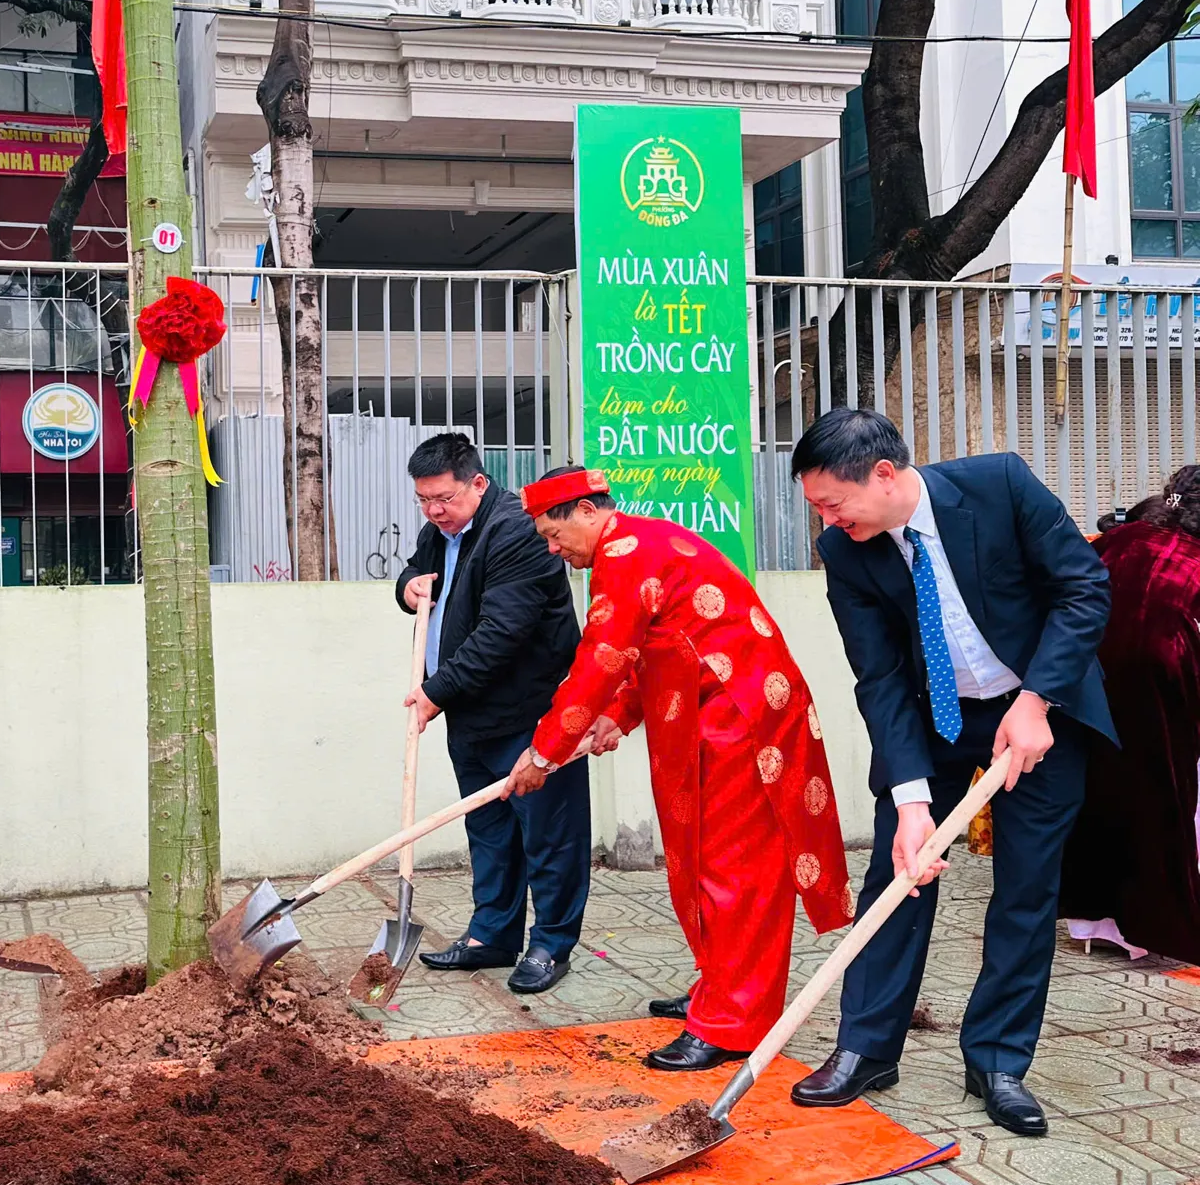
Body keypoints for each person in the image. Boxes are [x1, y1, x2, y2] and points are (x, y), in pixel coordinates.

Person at [792, 409, 1113, 1137]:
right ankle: (865, 1047)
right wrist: (910, 801)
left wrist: (1037, 701)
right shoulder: (847, 553)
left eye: (830, 503)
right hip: (931, 717)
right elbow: (877, 676)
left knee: (1027, 887)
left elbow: (1083, 590)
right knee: (901, 871)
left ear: (882, 474)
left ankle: (997, 1060)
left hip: (1035, 708)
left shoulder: (999, 485)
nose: (825, 519)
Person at [503, 467, 853, 1069]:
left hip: (742, 724)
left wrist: (544, 753)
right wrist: (615, 717)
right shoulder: (632, 547)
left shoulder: (627, 553)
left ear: (587, 511)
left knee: (737, 873)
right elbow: (662, 646)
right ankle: (718, 989)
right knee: (701, 861)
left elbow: (603, 659)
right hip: (704, 721)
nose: (555, 552)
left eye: (554, 537)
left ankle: (733, 1024)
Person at [394, 433, 590, 994]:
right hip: (471, 711)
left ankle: (551, 944)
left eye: (445, 499)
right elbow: (411, 577)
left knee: (550, 832)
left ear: (478, 483)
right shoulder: (442, 529)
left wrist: (436, 692)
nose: (434, 511)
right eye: (424, 501)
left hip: (530, 709)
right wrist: (409, 588)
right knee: (489, 829)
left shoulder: (517, 531)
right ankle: (493, 935)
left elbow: (503, 632)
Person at [1060, 466, 1200, 963]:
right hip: (1165, 687)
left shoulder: (1115, 539)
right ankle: (1150, 924)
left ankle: (1091, 923)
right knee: (1162, 798)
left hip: (1086, 681)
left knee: (1095, 794)